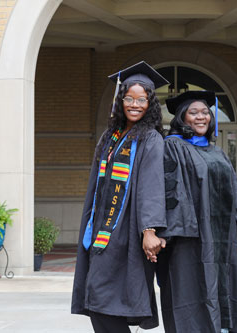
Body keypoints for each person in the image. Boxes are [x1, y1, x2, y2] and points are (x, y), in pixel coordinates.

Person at [72, 61, 169, 332]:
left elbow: (151, 185)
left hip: (128, 232)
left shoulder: (151, 139)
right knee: (97, 301)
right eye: (129, 98)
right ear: (120, 100)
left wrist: (149, 230)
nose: (134, 104)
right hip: (101, 230)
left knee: (108, 302)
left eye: (141, 99)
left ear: (150, 103)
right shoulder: (110, 136)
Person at [157, 90, 237, 333]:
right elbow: (168, 192)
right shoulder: (172, 147)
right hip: (188, 239)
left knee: (223, 292)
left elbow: (234, 193)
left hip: (221, 239)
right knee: (190, 292)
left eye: (205, 112)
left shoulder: (217, 152)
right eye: (193, 112)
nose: (201, 117)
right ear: (182, 117)